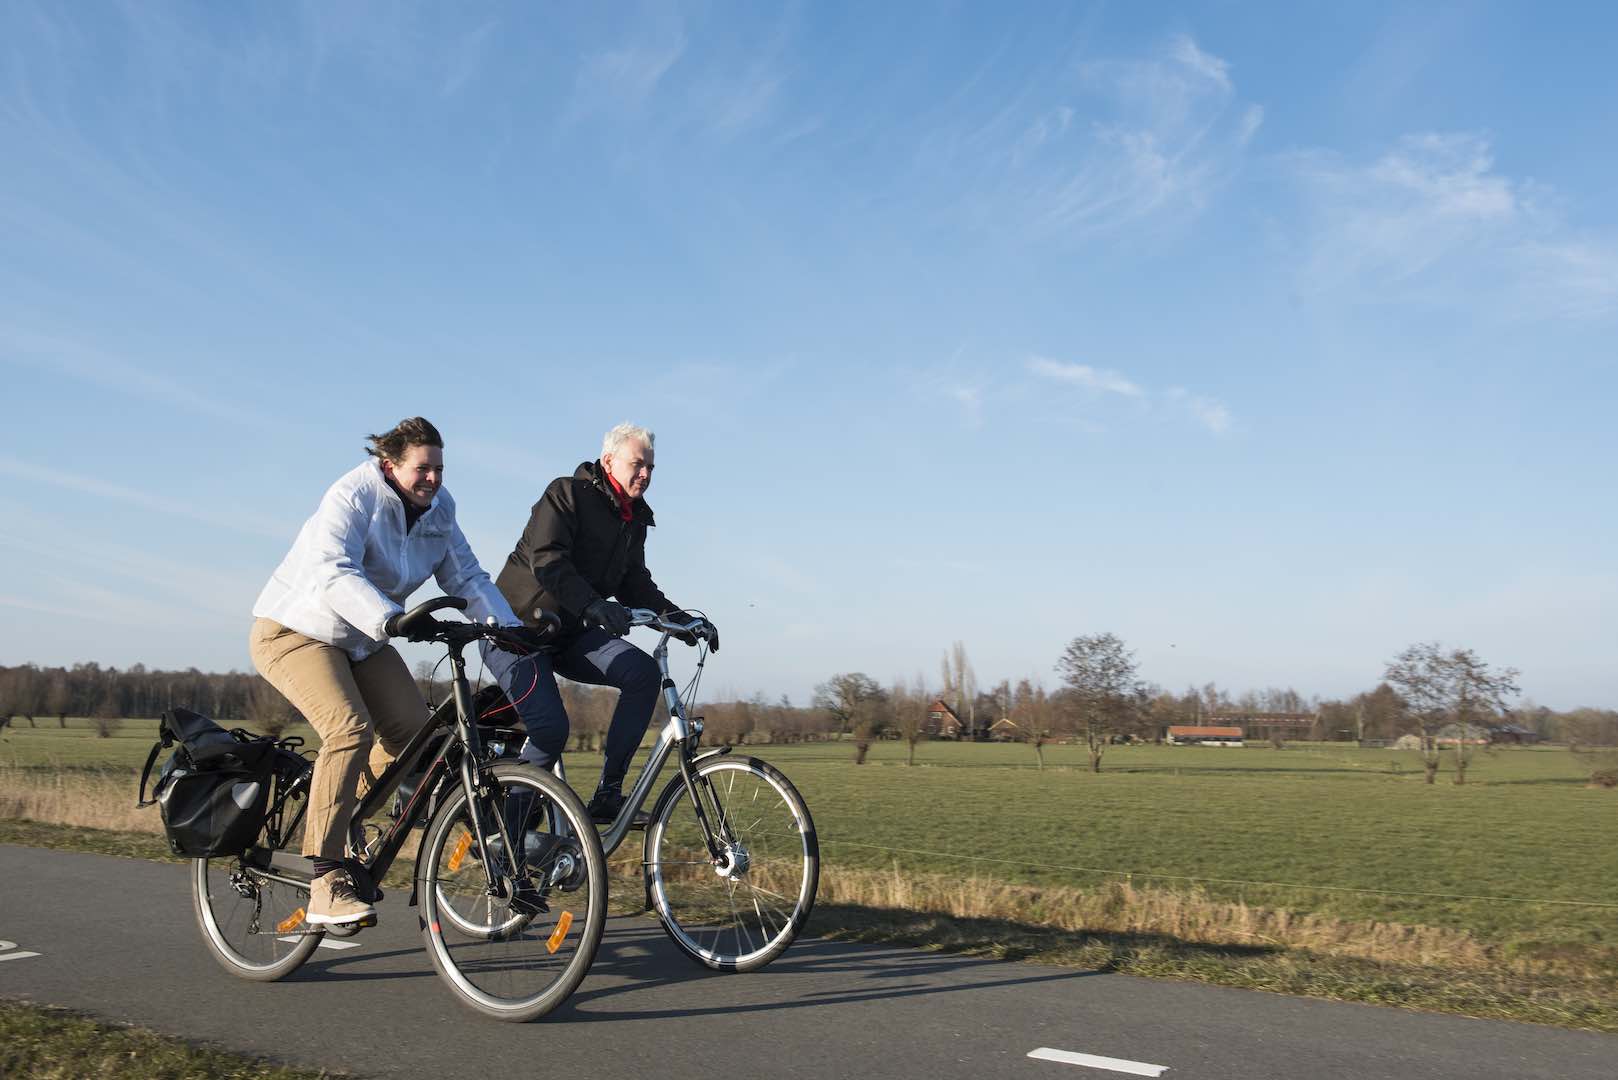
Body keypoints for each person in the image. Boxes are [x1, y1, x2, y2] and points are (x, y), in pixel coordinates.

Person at [250, 417, 541, 926]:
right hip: (297, 631)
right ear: (390, 465)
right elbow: (332, 568)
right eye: (422, 468)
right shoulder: (352, 495)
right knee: (348, 729)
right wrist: (388, 616)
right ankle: (324, 878)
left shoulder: (439, 510)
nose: (432, 478)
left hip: (363, 639)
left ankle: (346, 814)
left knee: (411, 734)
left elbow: (467, 575)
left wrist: (508, 627)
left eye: (439, 469)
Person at [487, 422, 716, 822]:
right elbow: (548, 560)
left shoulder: (634, 520)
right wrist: (593, 605)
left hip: (569, 633)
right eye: (637, 464)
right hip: (517, 632)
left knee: (642, 674)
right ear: (609, 460)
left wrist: (679, 620)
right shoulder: (567, 494)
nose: (645, 474)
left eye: (651, 468)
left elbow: (634, 582)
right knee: (550, 730)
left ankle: (609, 793)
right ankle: (510, 837)